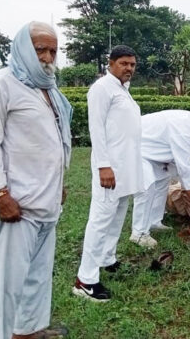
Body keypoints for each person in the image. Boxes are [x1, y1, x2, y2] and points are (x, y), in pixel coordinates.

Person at [0, 21, 72, 339]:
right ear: (22, 48)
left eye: (53, 51)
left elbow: (56, 139)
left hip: (47, 200)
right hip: (17, 203)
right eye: (40, 49)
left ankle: (28, 331)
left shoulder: (47, 87)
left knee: (38, 276)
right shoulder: (0, 84)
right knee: (8, 283)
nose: (47, 57)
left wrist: (60, 183)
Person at [72, 45, 144, 302]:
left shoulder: (122, 89)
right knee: (101, 218)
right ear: (110, 63)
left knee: (117, 215)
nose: (129, 69)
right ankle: (85, 280)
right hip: (110, 168)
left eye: (133, 65)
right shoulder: (102, 88)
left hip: (126, 167)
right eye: (124, 63)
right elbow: (97, 128)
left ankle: (107, 258)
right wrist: (103, 165)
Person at [130, 110, 190, 247]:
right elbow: (185, 169)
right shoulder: (181, 129)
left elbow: (183, 164)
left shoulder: (189, 125)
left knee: (162, 182)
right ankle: (139, 233)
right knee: (147, 187)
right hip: (136, 148)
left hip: (153, 153)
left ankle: (154, 222)